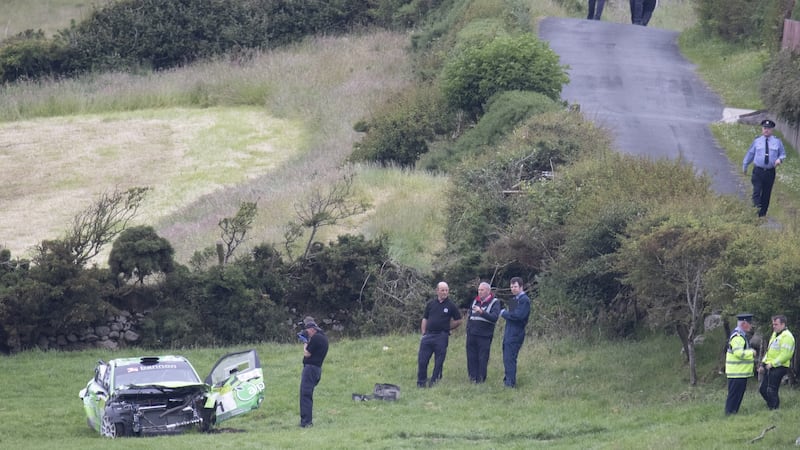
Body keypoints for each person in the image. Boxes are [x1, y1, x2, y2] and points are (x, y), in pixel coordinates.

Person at [417, 281, 462, 387]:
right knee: (422, 360)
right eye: (442, 290)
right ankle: (421, 382)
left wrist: (447, 327)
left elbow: (459, 320)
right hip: (428, 335)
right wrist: (423, 332)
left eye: (446, 290)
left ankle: (434, 381)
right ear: (437, 291)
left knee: (439, 361)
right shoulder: (431, 304)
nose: (445, 292)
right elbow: (425, 318)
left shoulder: (451, 305)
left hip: (441, 336)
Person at [742, 119, 786, 217]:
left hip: (770, 172)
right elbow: (750, 154)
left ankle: (762, 215)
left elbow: (782, 154)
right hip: (758, 171)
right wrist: (745, 165)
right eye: (764, 128)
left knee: (766, 194)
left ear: (772, 130)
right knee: (757, 191)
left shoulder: (777, 142)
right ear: (762, 129)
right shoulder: (757, 141)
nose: (766, 130)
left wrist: (780, 160)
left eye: (768, 128)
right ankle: (755, 212)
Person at [758, 315, 795, 410]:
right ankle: (772, 405)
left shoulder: (787, 336)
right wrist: (763, 364)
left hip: (780, 366)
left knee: (771, 390)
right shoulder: (775, 334)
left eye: (776, 324)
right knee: (763, 389)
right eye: (773, 324)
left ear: (783, 324)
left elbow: (785, 355)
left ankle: (774, 409)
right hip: (770, 366)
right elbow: (769, 351)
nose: (774, 326)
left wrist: (773, 364)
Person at [466, 281, 501, 383]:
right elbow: (470, 317)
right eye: (479, 290)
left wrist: (482, 312)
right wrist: (468, 330)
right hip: (471, 334)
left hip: (484, 335)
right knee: (471, 357)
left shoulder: (495, 302)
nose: (480, 292)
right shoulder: (474, 301)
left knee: (482, 358)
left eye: (482, 290)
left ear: (488, 291)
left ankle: (481, 379)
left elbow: (494, 317)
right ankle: (472, 378)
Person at [500, 277, 531, 388]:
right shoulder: (513, 300)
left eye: (515, 286)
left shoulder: (524, 300)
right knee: (506, 357)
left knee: (510, 357)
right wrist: (508, 315)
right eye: (512, 286)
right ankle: (507, 379)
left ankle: (510, 383)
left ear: (521, 287)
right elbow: (511, 318)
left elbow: (518, 316)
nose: (513, 289)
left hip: (516, 333)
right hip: (509, 331)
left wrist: (504, 313)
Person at [299, 317, 329, 428]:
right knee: (308, 394)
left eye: (307, 331)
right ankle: (307, 421)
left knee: (305, 394)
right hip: (317, 369)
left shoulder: (316, 338)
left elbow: (307, 353)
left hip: (310, 369)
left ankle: (306, 422)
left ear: (312, 329)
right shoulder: (323, 338)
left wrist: (305, 342)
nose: (308, 333)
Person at [724, 313, 756, 415]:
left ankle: (733, 414)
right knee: (734, 395)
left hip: (740, 372)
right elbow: (738, 353)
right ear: (744, 323)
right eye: (750, 323)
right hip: (736, 372)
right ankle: (729, 414)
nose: (751, 326)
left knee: (737, 395)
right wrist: (751, 352)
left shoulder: (741, 335)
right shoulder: (738, 337)